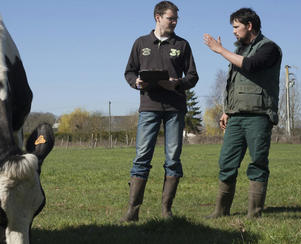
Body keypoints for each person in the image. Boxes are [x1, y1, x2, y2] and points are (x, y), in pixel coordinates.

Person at [121, 1, 199, 222]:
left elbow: (193, 76)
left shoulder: (182, 45)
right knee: (141, 157)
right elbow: (129, 71)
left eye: (176, 19)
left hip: (175, 108)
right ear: (158, 17)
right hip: (149, 107)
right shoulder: (141, 43)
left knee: (173, 158)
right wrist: (136, 82)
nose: (174, 22)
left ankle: (166, 210)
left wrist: (178, 83)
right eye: (170, 18)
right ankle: (133, 211)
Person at [203, 8, 282, 218]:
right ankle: (220, 211)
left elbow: (251, 65)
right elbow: (233, 84)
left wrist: (220, 50)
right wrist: (227, 110)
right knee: (226, 163)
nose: (234, 32)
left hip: (258, 116)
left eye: (236, 27)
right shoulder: (238, 52)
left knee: (257, 163)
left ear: (249, 26)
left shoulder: (270, 48)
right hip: (235, 117)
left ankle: (254, 214)